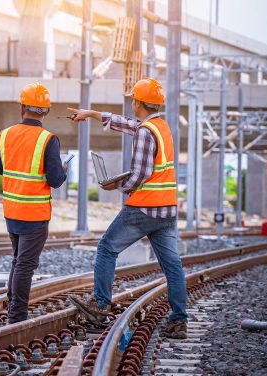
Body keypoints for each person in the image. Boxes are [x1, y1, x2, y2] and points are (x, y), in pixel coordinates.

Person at [67, 78, 188, 339]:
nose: (131, 104)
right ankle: (179, 321)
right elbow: (127, 124)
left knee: (107, 248)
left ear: (137, 103)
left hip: (143, 209)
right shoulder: (159, 126)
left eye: (133, 100)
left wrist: (118, 186)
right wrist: (91, 114)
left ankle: (99, 305)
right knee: (173, 267)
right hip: (166, 211)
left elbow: (141, 173)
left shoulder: (146, 132)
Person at [0, 82, 68, 324]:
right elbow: (56, 180)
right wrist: (63, 168)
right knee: (25, 265)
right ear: (46, 111)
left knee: (18, 261)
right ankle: (16, 318)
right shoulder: (48, 139)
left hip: (11, 211)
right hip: (34, 214)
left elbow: (1, 169)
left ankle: (12, 307)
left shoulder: (4, 135)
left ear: (22, 107)